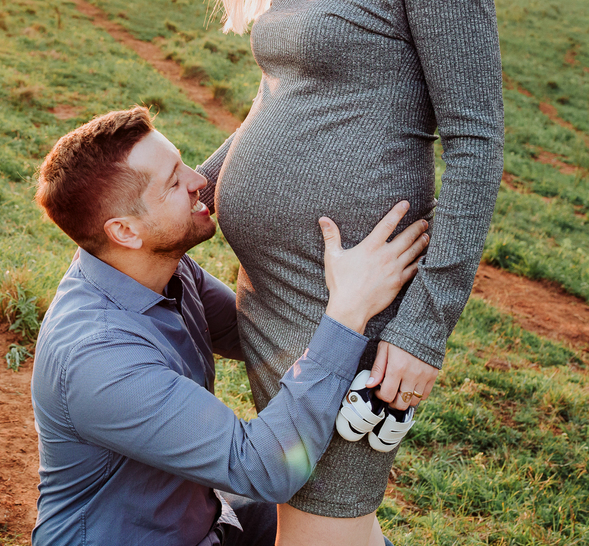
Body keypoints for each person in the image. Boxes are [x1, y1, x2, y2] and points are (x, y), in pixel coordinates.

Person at [201, 0, 505, 545]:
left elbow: (475, 142)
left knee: (321, 521)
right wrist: (190, 192)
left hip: (344, 309)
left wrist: (421, 330)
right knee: (319, 522)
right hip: (278, 300)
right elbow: (284, 100)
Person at [31, 107, 428, 545]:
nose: (199, 180)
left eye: (180, 162)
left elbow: (256, 332)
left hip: (199, 518)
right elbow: (265, 468)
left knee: (346, 532)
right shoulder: (100, 359)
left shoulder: (160, 270)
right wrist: (348, 312)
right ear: (125, 231)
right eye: (173, 182)